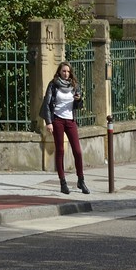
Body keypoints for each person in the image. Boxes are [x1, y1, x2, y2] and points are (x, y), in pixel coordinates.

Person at [41, 59, 89, 195]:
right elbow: (47, 103)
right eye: (64, 71)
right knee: (60, 150)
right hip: (57, 120)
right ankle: (63, 182)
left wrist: (79, 100)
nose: (66, 74)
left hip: (71, 120)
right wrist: (49, 122)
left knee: (78, 151)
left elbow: (79, 106)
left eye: (68, 71)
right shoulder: (53, 85)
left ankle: (81, 180)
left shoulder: (74, 85)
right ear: (59, 72)